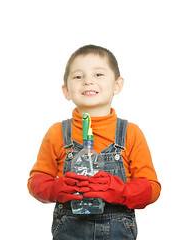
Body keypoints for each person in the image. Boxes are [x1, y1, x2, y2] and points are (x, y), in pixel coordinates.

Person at [28, 44, 161, 239]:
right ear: (66, 91)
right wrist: (55, 188)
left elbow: (152, 189)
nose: (88, 81)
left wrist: (121, 191)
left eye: (98, 74)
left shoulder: (131, 133)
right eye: (78, 76)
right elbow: (36, 181)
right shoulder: (57, 133)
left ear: (117, 84)